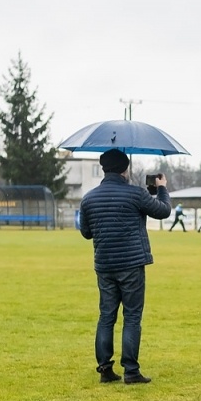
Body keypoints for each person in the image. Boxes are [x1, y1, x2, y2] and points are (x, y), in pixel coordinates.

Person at [78, 148, 170, 383]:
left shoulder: (88, 198)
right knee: (132, 316)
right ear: (125, 168)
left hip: (105, 264)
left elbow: (86, 233)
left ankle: (105, 369)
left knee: (106, 316)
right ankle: (131, 370)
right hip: (131, 264)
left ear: (103, 168)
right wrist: (161, 189)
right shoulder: (135, 194)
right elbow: (163, 211)